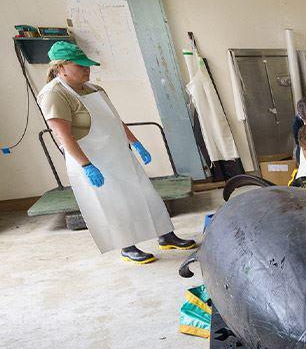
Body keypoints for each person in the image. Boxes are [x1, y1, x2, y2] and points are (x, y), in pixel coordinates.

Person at [37, 41, 195, 264]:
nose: (87, 69)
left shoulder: (95, 89)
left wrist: (136, 143)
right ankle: (127, 247)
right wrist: (86, 166)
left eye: (87, 65)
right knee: (113, 202)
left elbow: (114, 119)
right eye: (80, 66)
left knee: (145, 193)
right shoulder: (54, 94)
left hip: (118, 152)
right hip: (92, 159)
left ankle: (166, 235)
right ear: (61, 67)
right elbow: (64, 137)